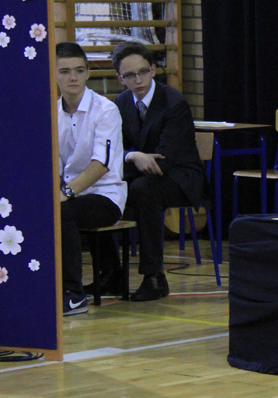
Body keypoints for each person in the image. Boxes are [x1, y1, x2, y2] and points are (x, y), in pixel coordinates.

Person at [107, 41, 203, 301]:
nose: (138, 80)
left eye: (143, 72)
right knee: (102, 187)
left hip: (179, 176)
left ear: (153, 69)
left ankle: (154, 276)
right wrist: (132, 156)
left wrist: (130, 160)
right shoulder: (121, 102)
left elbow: (165, 159)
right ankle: (110, 272)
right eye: (130, 75)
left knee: (143, 190)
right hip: (139, 172)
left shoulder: (174, 103)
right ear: (120, 78)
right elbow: (115, 147)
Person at [55, 41, 127, 316]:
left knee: (61, 213)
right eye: (65, 72)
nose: (73, 78)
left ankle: (73, 295)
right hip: (71, 194)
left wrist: (66, 193)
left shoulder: (106, 110)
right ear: (54, 74)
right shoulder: (52, 111)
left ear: (87, 73)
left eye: (79, 70)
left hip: (105, 196)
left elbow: (101, 165)